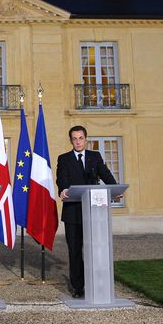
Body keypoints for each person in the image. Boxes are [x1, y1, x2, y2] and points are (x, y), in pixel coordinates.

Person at [56, 125, 118, 298]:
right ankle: (78, 287)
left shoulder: (94, 157)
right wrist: (63, 189)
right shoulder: (64, 159)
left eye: (80, 138)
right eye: (74, 138)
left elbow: (105, 174)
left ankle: (96, 282)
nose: (78, 141)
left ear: (86, 139)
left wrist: (114, 189)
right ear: (71, 140)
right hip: (73, 213)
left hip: (94, 213)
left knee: (96, 249)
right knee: (75, 251)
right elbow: (61, 179)